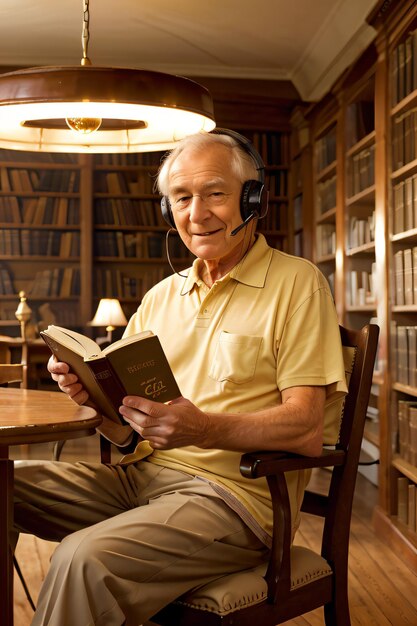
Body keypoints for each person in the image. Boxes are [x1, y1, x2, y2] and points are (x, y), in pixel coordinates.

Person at [13, 130, 347, 626]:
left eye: (214, 193)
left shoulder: (298, 284)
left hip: (236, 500)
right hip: (141, 480)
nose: (197, 213)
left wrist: (204, 429)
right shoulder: (160, 297)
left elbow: (305, 427)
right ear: (169, 212)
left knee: (83, 559)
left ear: (252, 199)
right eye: (182, 198)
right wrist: (96, 399)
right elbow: (129, 432)